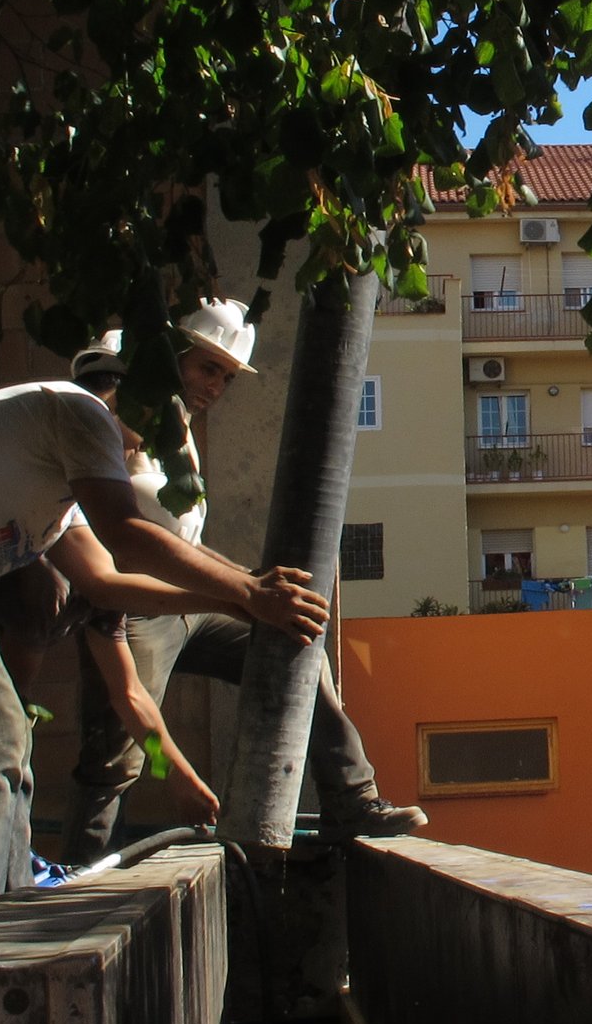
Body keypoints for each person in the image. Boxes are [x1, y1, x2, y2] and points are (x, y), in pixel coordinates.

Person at [0, 372, 330, 920]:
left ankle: (17, 903)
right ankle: (50, 889)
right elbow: (131, 706)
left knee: (15, 754)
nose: (131, 450)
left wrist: (174, 772)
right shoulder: (95, 549)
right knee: (65, 763)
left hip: (140, 676)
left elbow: (134, 699)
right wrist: (171, 772)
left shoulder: (103, 593)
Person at [57, 302, 426, 864]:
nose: (217, 386)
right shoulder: (98, 438)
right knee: (119, 758)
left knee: (295, 634)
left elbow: (185, 546)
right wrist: (175, 776)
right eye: (209, 368)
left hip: (194, 604)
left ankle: (352, 799)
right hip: (127, 607)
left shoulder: (175, 432)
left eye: (227, 376)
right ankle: (81, 870)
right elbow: (130, 688)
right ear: (164, 360)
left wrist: (251, 586)